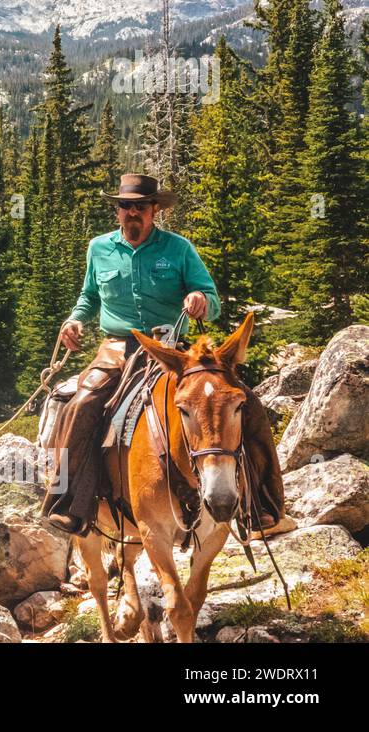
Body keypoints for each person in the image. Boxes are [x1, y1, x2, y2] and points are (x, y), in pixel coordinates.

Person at [41, 173, 286, 536]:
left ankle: (261, 504)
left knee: (244, 401)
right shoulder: (99, 248)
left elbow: (211, 299)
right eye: (125, 207)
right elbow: (89, 298)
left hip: (174, 350)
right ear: (117, 212)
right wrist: (75, 320)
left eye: (140, 206)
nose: (132, 213)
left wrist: (202, 301)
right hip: (116, 347)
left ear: (155, 210)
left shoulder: (179, 249)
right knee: (81, 403)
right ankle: (65, 502)